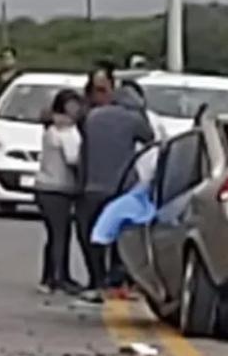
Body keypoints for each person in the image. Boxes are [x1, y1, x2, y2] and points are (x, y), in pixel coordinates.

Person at [76, 85, 154, 303]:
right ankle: (118, 281)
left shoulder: (93, 117)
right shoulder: (133, 119)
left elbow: (84, 152)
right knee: (122, 237)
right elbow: (150, 137)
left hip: (92, 186)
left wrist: (81, 185)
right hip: (121, 187)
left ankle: (97, 281)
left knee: (95, 235)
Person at [35, 89, 84, 296]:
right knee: (60, 235)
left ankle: (50, 277)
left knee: (55, 234)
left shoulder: (51, 128)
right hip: (57, 188)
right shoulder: (65, 131)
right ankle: (59, 278)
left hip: (45, 187)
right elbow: (73, 159)